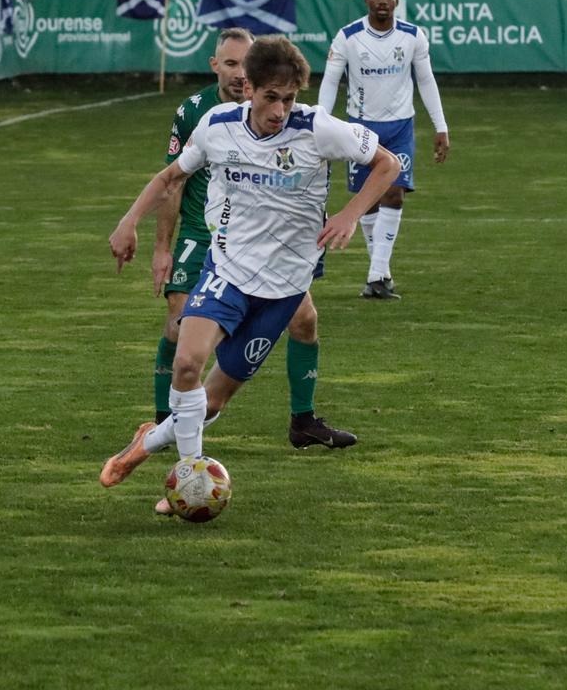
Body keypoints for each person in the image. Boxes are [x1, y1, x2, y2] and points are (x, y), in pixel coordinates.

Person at [101, 36, 401, 512]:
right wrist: (128, 222)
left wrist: (349, 214)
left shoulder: (319, 129)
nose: (281, 109)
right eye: (271, 97)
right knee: (186, 364)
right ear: (249, 89)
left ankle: (146, 444)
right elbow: (169, 177)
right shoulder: (218, 126)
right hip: (227, 271)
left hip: (283, 289)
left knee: (213, 403)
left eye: (289, 98)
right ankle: (191, 479)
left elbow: (388, 163)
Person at [150, 26, 358, 461]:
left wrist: (342, 213)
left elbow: (377, 163)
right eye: (229, 65)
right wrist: (161, 246)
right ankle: (163, 422)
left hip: (278, 247)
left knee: (304, 319)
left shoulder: (300, 123)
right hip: (206, 234)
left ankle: (302, 419)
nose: (238, 76)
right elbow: (171, 180)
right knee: (179, 324)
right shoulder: (199, 113)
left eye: (242, 66)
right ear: (221, 68)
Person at [318, 0, 449, 299]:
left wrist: (441, 126)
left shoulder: (413, 36)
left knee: (394, 192)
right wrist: (321, 121)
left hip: (400, 127)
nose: (383, 0)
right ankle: (380, 275)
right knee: (369, 201)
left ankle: (377, 274)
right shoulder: (348, 37)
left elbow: (426, 80)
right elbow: (331, 80)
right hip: (359, 128)